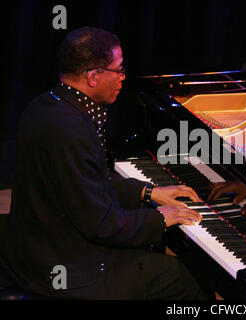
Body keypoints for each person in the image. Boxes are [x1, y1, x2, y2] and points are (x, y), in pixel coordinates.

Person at [0, 27, 210, 299]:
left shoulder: (45, 106)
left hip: (37, 244)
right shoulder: (71, 129)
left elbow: (83, 181)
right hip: (62, 266)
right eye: (119, 69)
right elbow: (100, 224)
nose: (123, 78)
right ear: (93, 76)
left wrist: (146, 192)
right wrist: (158, 217)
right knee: (174, 276)